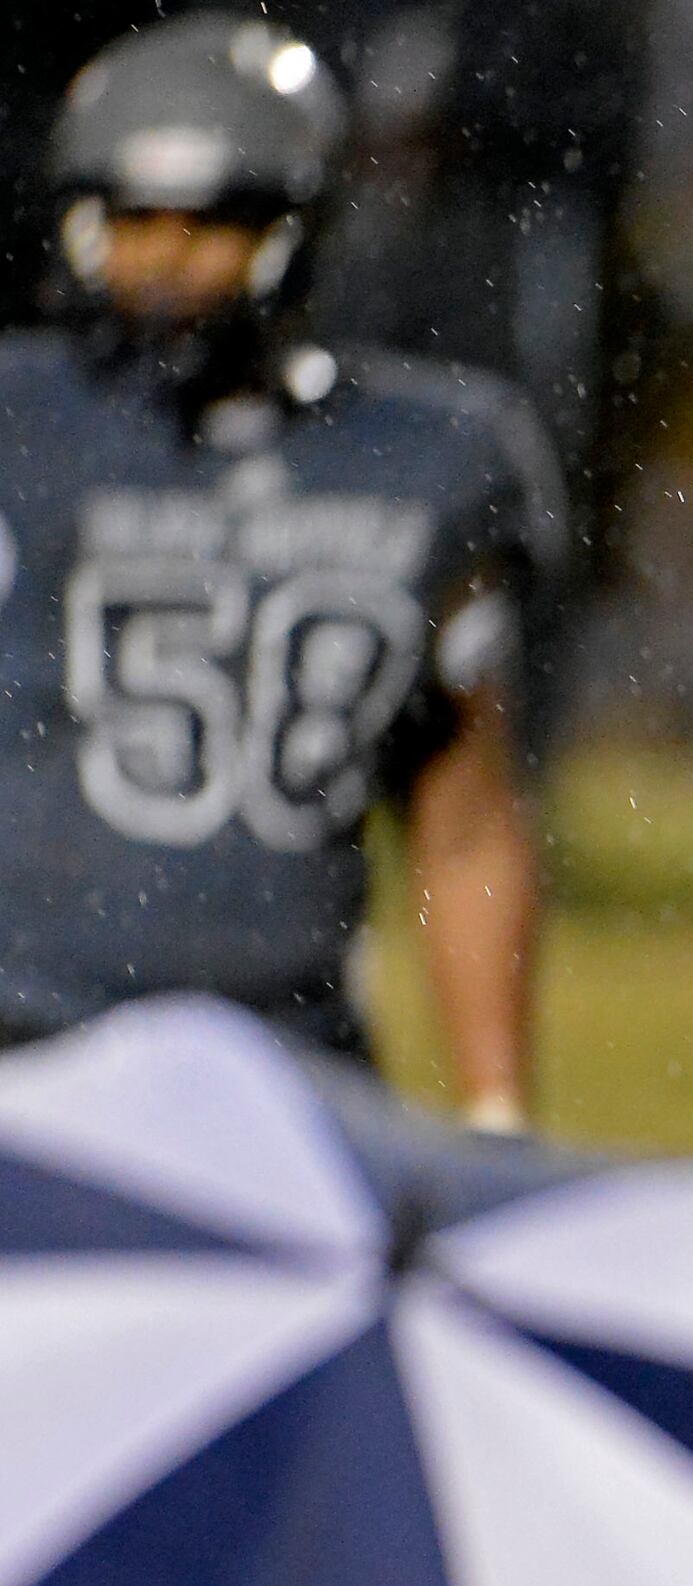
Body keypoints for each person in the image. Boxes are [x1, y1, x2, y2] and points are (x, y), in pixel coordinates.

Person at [0, 13, 558, 1122]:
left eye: (207, 223)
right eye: (134, 220)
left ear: (295, 225)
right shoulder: (23, 427)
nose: (162, 259)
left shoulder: (427, 460)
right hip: (29, 1050)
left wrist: (497, 1109)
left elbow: (464, 818)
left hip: (286, 1067)